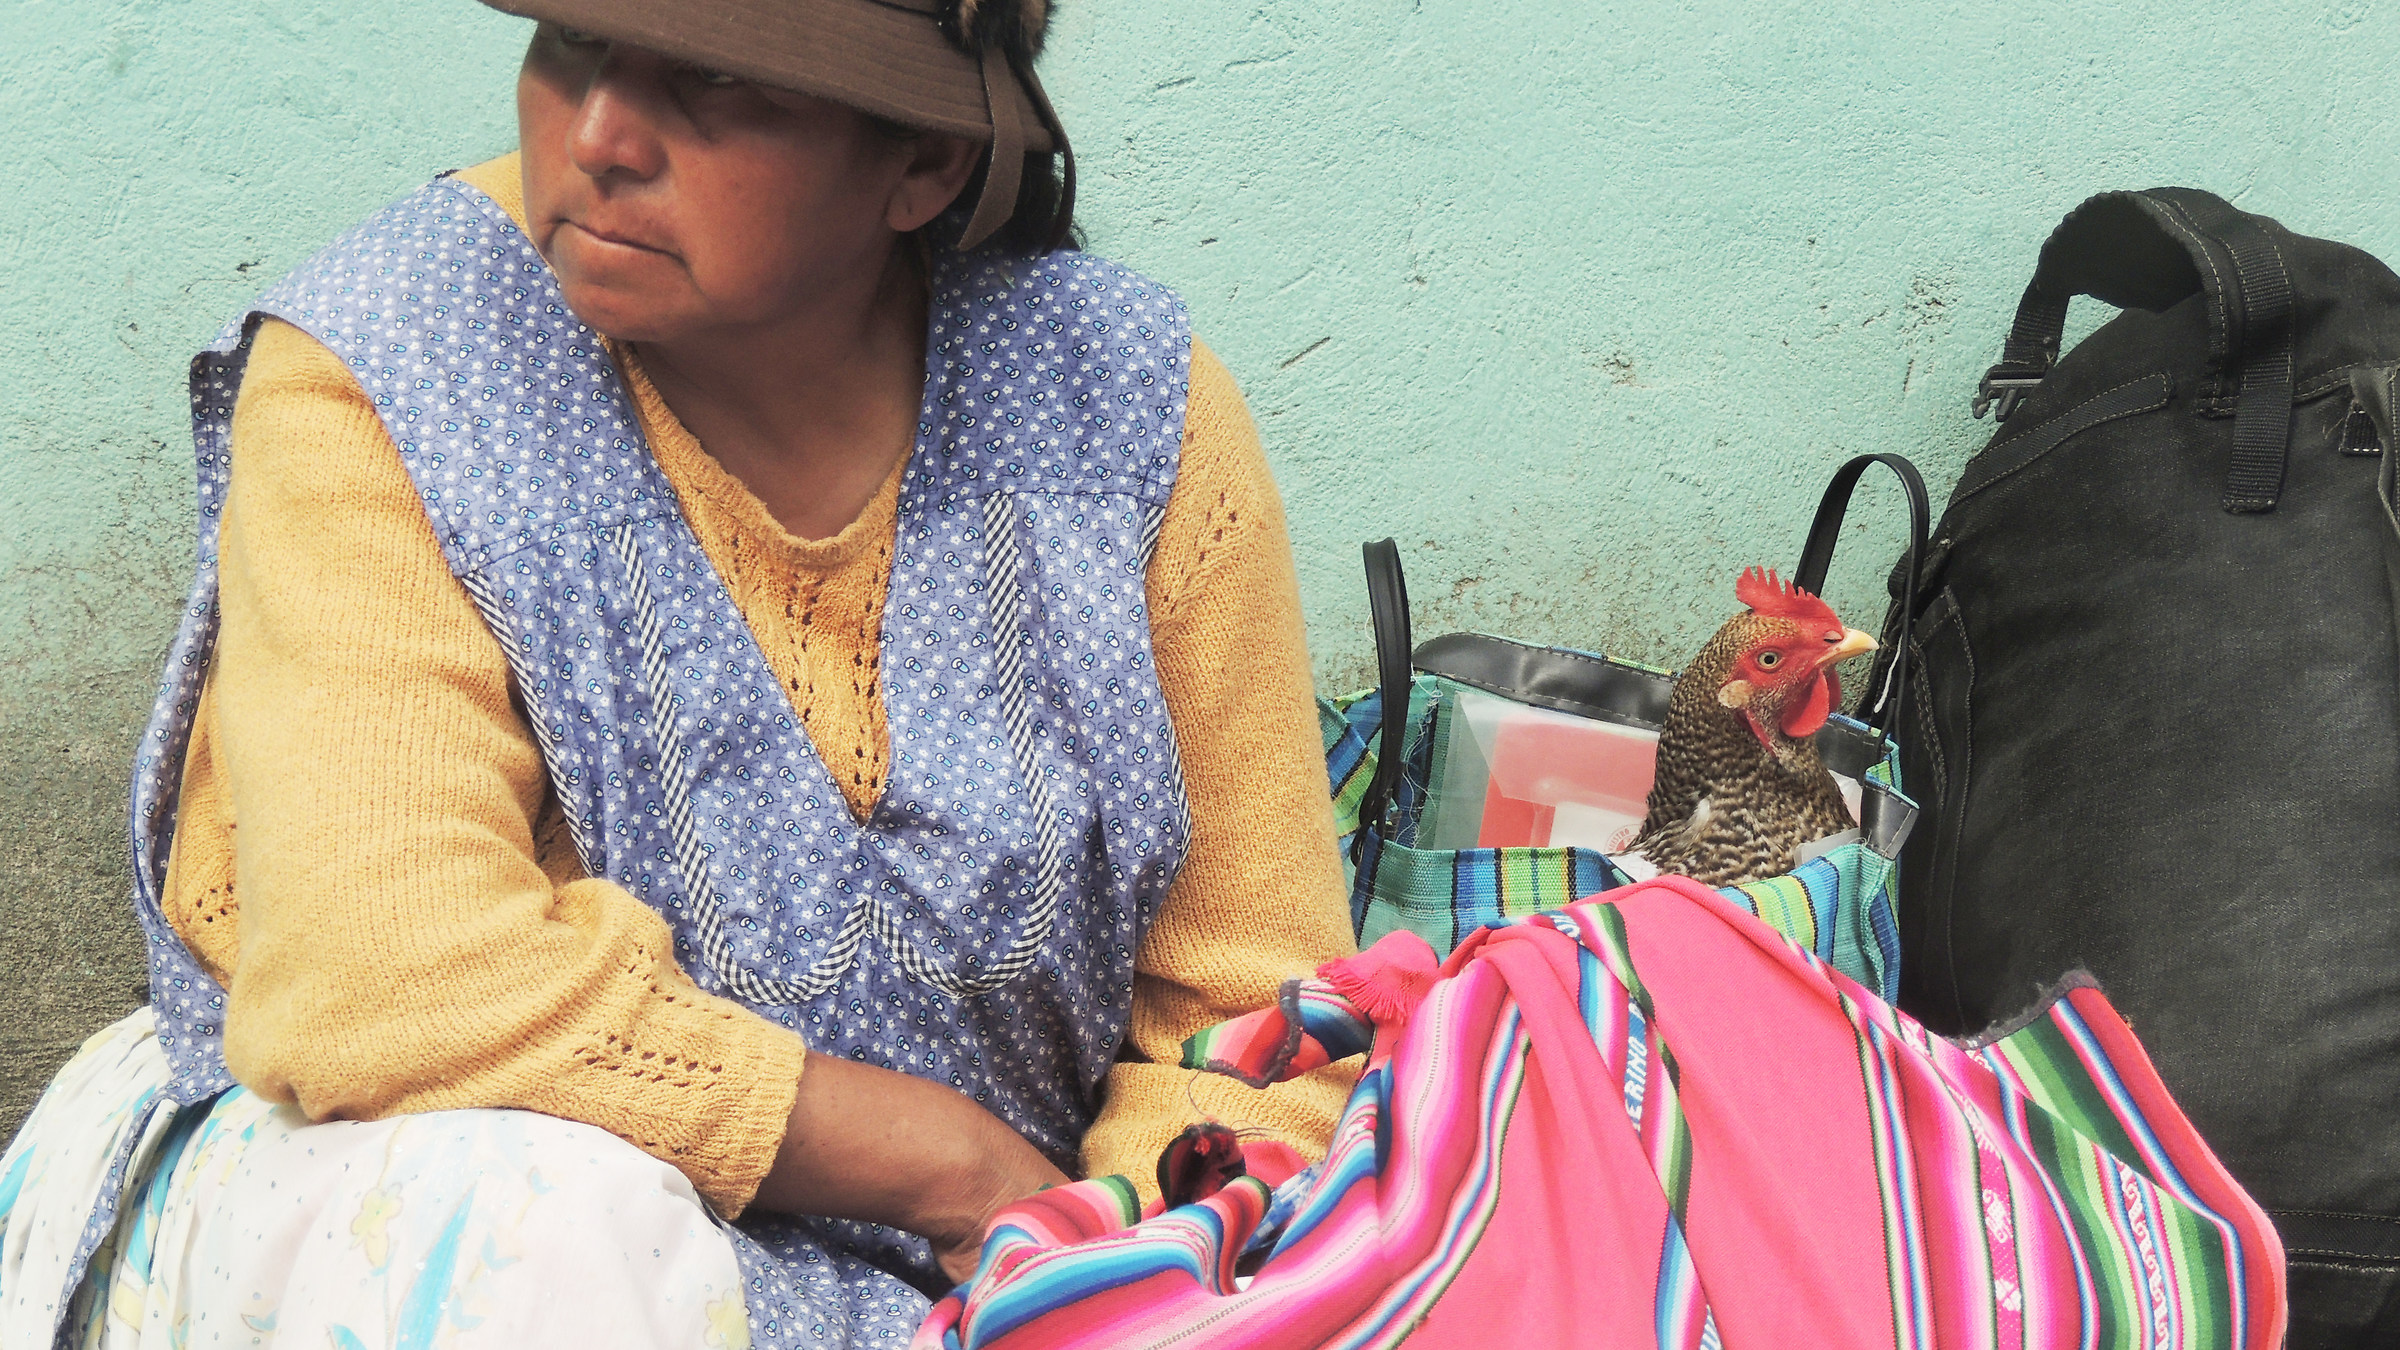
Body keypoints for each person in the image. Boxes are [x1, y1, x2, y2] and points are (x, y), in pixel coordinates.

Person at [0, 3, 1357, 1346]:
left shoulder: (1122, 412)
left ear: (922, 165)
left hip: (999, 1273)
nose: (596, 137)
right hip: (407, 1226)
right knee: (540, 1229)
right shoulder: (387, 369)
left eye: (709, 80)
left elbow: (1255, 1020)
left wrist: (1092, 1264)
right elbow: (391, 977)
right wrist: (941, 1162)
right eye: (572, 46)